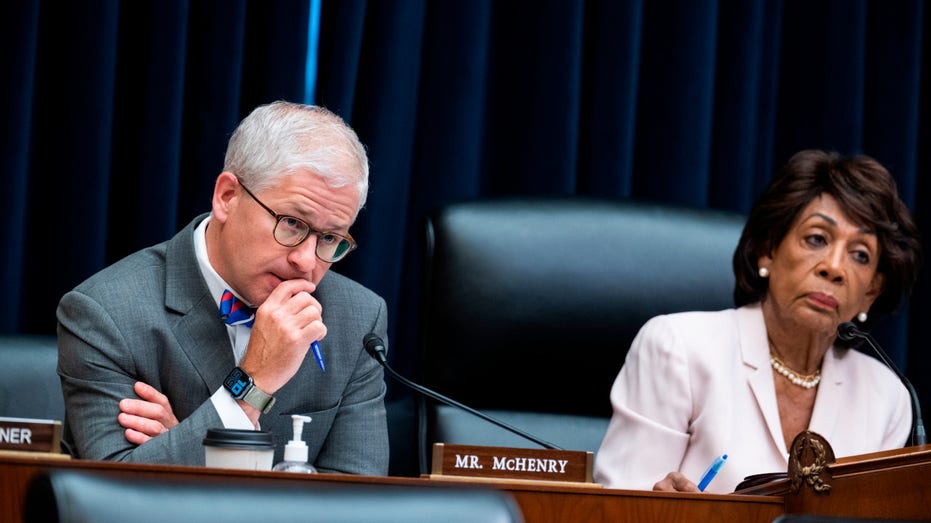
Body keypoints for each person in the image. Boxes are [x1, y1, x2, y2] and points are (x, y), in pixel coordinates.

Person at [56, 101, 389, 474]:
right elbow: (112, 498)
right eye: (293, 223)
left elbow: (357, 505)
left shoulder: (357, 319)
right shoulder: (107, 313)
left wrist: (187, 454)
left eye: (330, 237)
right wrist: (252, 385)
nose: (307, 262)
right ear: (227, 197)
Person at [594, 149, 922, 493]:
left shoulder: (886, 397)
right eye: (817, 239)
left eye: (860, 255)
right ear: (768, 249)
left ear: (871, 291)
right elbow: (621, 506)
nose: (835, 267)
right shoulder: (678, 348)